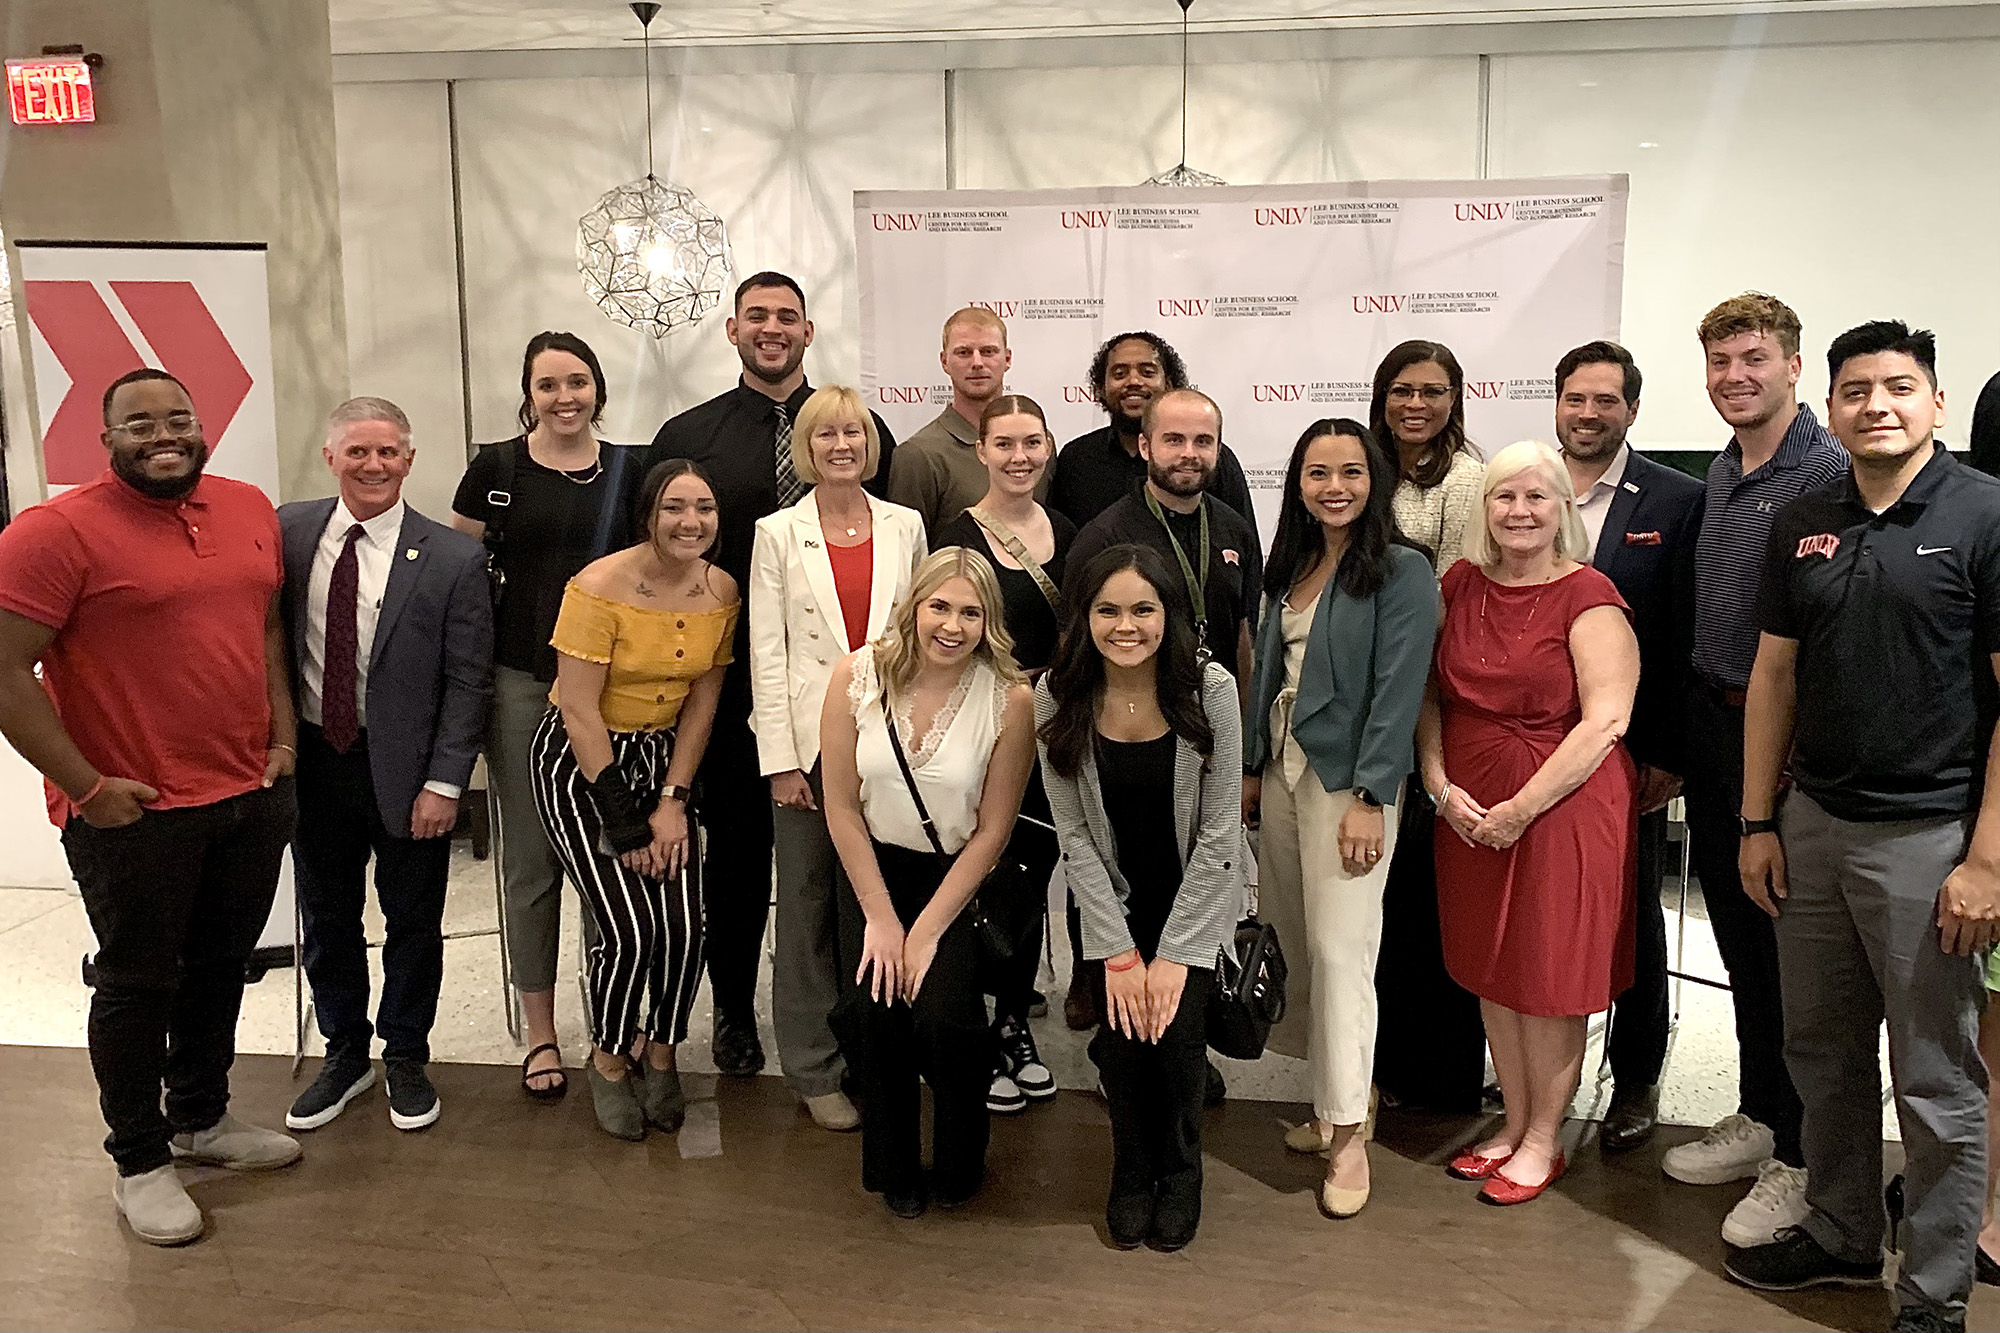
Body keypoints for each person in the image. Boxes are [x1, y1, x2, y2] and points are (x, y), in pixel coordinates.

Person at [1727, 322, 2000, 1333]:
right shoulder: (1803, 515)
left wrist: (1984, 856)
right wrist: (1758, 819)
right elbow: (1772, 674)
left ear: (1934, 401)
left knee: (1933, 1077)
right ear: (1828, 405)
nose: (1874, 403)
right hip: (1812, 824)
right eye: (1854, 390)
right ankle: (1841, 1230)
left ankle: (1931, 1293)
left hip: (1929, 839)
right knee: (1821, 1049)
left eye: (1897, 386)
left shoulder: (1983, 515)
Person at [0, 368, 301, 1245]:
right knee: (136, 985)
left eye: (179, 417)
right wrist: (88, 788)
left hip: (248, 794)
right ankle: (139, 1159)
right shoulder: (53, 532)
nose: (162, 434)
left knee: (220, 966)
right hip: (134, 811)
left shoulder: (247, 507)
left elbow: (266, 629)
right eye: (139, 423)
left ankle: (202, 1118)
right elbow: (6, 671)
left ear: (203, 426)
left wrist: (281, 740)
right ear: (105, 440)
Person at [646, 271, 900, 1077]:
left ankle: (860, 1022)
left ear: (808, 330)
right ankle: (732, 1010)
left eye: (786, 316)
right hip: (731, 687)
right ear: (732, 330)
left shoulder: (859, 429)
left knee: (849, 870)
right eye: (757, 316)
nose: (772, 328)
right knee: (742, 857)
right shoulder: (692, 434)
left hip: (858, 708)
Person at [1668, 293, 1848, 1247]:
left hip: (1785, 743)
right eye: (1720, 362)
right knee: (1739, 943)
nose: (1735, 376)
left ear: (1791, 363)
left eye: (1753, 358)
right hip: (1712, 725)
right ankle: (1762, 1113)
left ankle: (1807, 1155)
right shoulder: (1728, 475)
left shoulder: (1829, 473)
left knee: (1797, 960)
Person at [1417, 440, 1640, 1206]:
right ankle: (1512, 1125)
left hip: (1563, 807)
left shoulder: (1590, 594)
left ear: (1562, 509)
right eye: (1504, 497)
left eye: (1536, 497)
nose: (1519, 511)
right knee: (1494, 969)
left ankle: (1546, 1137)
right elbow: (1429, 696)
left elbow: (1607, 719)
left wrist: (1522, 807)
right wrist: (1440, 784)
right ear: (1484, 510)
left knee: (1549, 976)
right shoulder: (1457, 585)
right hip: (1469, 810)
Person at [281, 398, 493, 1135]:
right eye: (359, 452)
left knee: (413, 920)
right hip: (315, 763)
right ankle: (345, 1053)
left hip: (410, 774)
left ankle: (406, 1052)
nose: (374, 465)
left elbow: (469, 680)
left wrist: (447, 782)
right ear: (330, 456)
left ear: (409, 459)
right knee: (329, 914)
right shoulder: (288, 533)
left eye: (389, 452)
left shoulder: (454, 556)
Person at [1245, 419, 1438, 1220]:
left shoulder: (1401, 569)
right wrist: (1256, 767)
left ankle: (1352, 1132)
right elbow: (1266, 668)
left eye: (1352, 472)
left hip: (1348, 784)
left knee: (1343, 948)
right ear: (1297, 483)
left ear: (1375, 481)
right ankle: (1328, 1107)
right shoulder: (1291, 565)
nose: (1335, 486)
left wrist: (1372, 795)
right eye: (1319, 472)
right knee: (1301, 940)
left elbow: (1400, 687)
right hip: (1287, 774)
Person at [451, 330, 644, 1102]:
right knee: (531, 863)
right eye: (548, 385)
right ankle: (540, 1031)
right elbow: (461, 583)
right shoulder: (494, 470)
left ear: (598, 388)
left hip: (614, 689)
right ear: (527, 394)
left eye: (578, 382)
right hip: (523, 681)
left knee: (606, 858)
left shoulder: (631, 469)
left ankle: (611, 1017)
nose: (565, 398)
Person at [819, 547, 1036, 1218]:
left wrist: (927, 930)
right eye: (939, 606)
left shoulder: (1011, 699)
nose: (952, 624)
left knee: (945, 1019)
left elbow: (994, 831)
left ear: (988, 622)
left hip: (956, 882)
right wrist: (883, 921)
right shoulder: (856, 677)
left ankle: (960, 1158)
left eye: (970, 612)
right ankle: (891, 1166)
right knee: (873, 1014)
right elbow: (841, 807)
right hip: (873, 871)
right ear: (914, 605)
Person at [1036, 544, 1243, 1251]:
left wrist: (1178, 952)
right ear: (1084, 617)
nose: (1127, 626)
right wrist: (1120, 951)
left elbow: (1219, 833)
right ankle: (1131, 1170)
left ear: (1170, 615)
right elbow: (1074, 836)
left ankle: (1182, 1173)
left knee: (1180, 1039)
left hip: (1194, 895)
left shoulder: (1209, 688)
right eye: (1108, 610)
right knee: (1122, 1047)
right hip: (1111, 908)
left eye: (1143, 609)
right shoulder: (1057, 695)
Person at [529, 459, 737, 1140]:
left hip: (663, 758)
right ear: (648, 512)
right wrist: (626, 825)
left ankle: (663, 1049)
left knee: (684, 927)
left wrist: (673, 801)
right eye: (675, 507)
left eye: (704, 507)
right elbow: (581, 714)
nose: (691, 522)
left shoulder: (720, 589)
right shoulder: (597, 587)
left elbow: (703, 704)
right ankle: (611, 1056)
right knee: (628, 930)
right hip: (584, 764)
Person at [751, 386, 928, 1133]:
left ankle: (872, 1049)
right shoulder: (778, 532)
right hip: (807, 744)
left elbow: (923, 636)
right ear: (808, 448)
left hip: (887, 744)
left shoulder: (905, 524)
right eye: (826, 434)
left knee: (877, 902)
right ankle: (813, 1063)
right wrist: (782, 760)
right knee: (807, 905)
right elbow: (766, 650)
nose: (841, 445)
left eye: (853, 431)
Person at [1552, 342, 1705, 1154]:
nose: (1588, 413)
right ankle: (1540, 1075)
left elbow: (1684, 636)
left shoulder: (1679, 501)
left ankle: (1636, 1076)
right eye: (1576, 398)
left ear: (1632, 411)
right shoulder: (1524, 489)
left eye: (1605, 400)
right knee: (1544, 913)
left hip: (1627, 757)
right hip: (1534, 753)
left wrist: (1668, 753)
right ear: (1555, 405)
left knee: (1632, 915)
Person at [937, 394, 1072, 1112]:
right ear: (982, 451)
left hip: (1050, 737)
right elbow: (942, 636)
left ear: (1047, 447)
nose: (1019, 457)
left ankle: (1014, 1024)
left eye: (1032, 442)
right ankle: (972, 1027)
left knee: (1026, 883)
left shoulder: (1073, 533)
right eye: (1005, 444)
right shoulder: (954, 537)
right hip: (976, 733)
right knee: (972, 881)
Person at [1368, 339, 1491, 1116]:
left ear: (1455, 399)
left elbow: (1444, 597)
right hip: (1366, 701)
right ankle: (1377, 1067)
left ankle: (1441, 1076)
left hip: (1434, 701)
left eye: (1434, 391)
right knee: (1381, 908)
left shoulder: (1469, 479)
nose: (1417, 405)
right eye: (1403, 390)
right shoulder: (1362, 465)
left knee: (1432, 902)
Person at [1065, 388, 1260, 684]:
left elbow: (1244, 636)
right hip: (1135, 718)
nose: (1189, 454)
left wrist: (1245, 721)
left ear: (1219, 449)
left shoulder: (1236, 529)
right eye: (1174, 440)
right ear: (1145, 447)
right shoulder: (1103, 539)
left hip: (1219, 712)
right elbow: (1072, 645)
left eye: (1203, 441)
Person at [1049, 331, 1259, 537]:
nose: (1134, 381)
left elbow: (1244, 543)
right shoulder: (1076, 459)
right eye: (1119, 374)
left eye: (1147, 372)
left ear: (1168, 383)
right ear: (1101, 387)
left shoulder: (1210, 460)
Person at [889, 307, 1048, 535]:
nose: (977, 362)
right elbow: (908, 553)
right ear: (944, 361)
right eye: (964, 352)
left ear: (1007, 358)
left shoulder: (1035, 446)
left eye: (988, 351)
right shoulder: (918, 456)